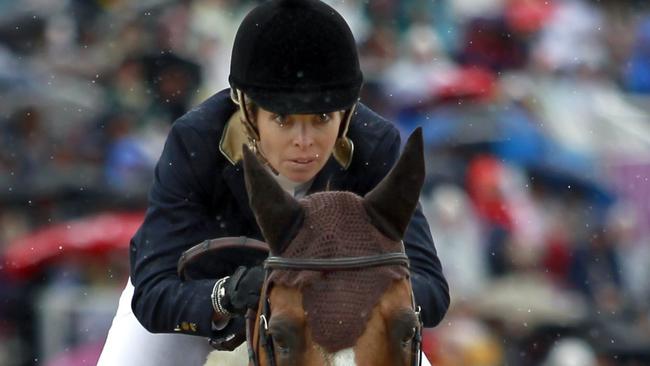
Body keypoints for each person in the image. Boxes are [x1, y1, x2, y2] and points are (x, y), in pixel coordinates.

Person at [97, 0, 449, 364]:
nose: (304, 140)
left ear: (346, 116)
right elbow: (154, 292)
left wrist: (361, 287)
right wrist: (226, 295)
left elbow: (431, 290)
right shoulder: (196, 142)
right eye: (282, 119)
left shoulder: (375, 145)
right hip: (203, 304)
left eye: (322, 118)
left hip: (332, 316)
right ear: (247, 109)